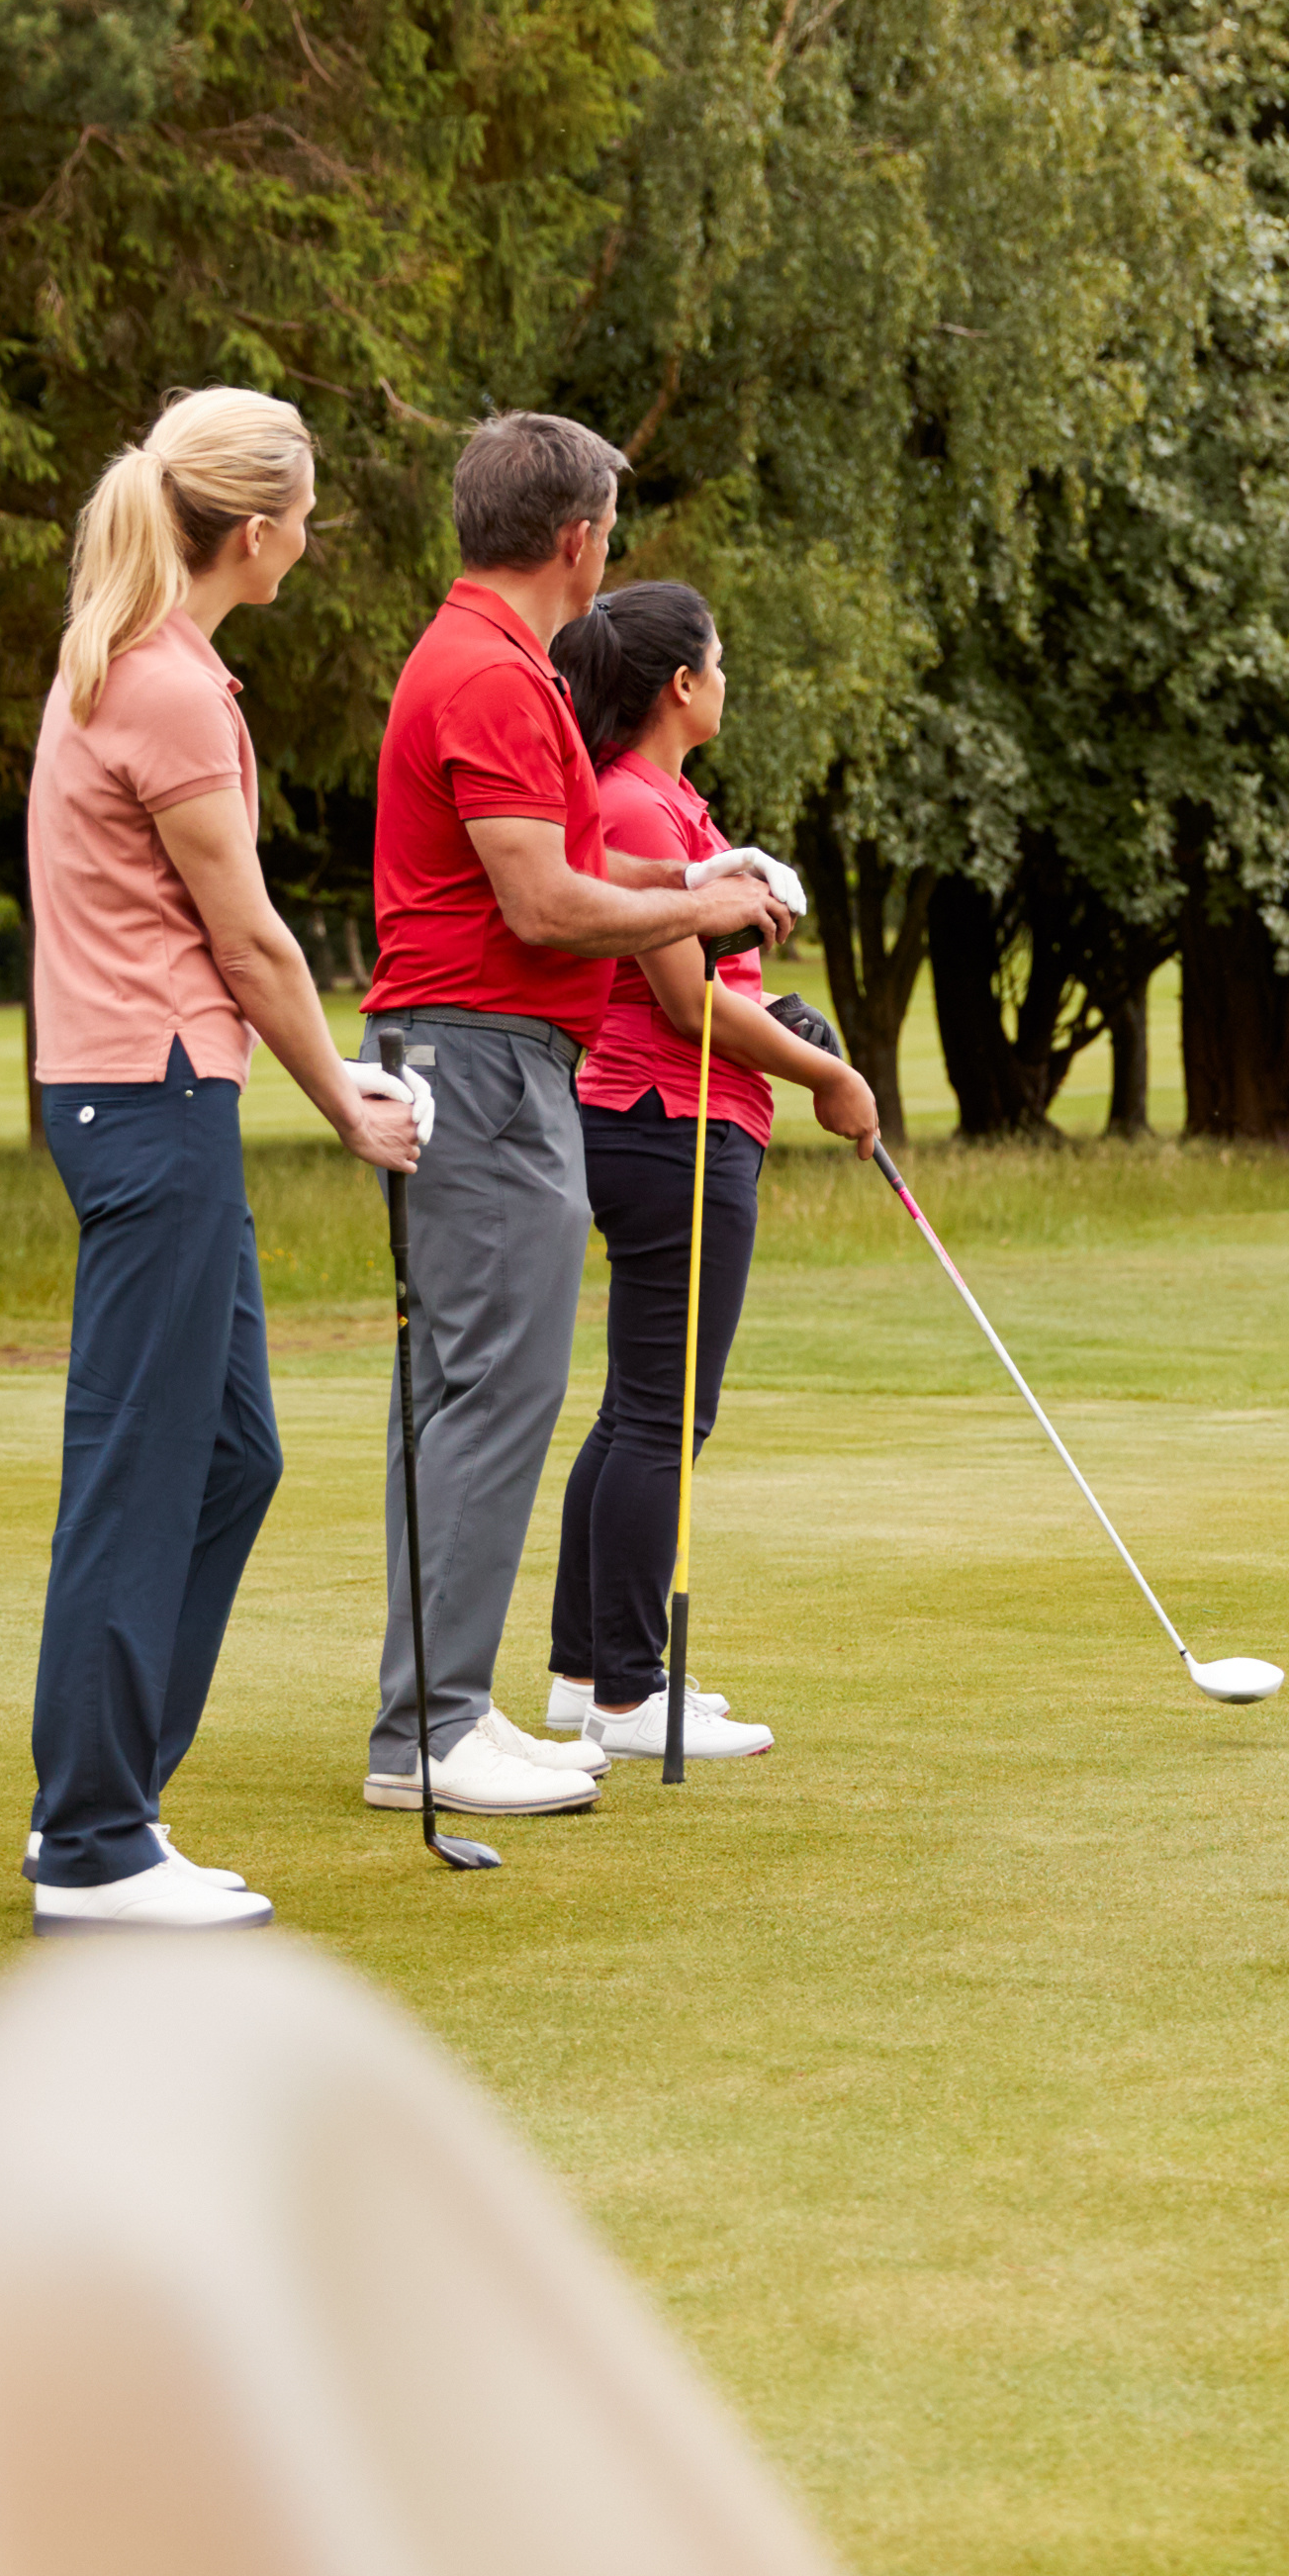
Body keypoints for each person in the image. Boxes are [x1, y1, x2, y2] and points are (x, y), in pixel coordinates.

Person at [18, 389, 433, 1928]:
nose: (311, 541)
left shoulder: (124, 661)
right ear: (252, 531)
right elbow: (251, 939)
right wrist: (350, 1101)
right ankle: (93, 1840)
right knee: (140, 1470)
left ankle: (105, 1793)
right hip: (155, 1103)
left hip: (140, 1100)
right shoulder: (167, 686)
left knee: (230, 1451)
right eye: (305, 519)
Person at [357, 414, 775, 1818]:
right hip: (477, 1057)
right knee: (492, 1388)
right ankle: (431, 1727)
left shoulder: (503, 666)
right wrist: (700, 901)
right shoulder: (484, 671)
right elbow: (539, 901)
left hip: (501, 1055)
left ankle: (445, 1707)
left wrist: (688, 876)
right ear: (578, 536)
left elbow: (559, 874)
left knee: (481, 1387)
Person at [533, 584, 876, 1763]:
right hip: (670, 1122)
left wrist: (786, 1018)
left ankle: (587, 1678)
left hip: (657, 1119)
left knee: (637, 1408)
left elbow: (715, 988)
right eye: (719, 663)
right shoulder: (639, 801)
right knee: (664, 1414)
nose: (725, 679)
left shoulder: (667, 801)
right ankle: (632, 1694)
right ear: (681, 685)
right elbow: (683, 1008)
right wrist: (828, 1080)